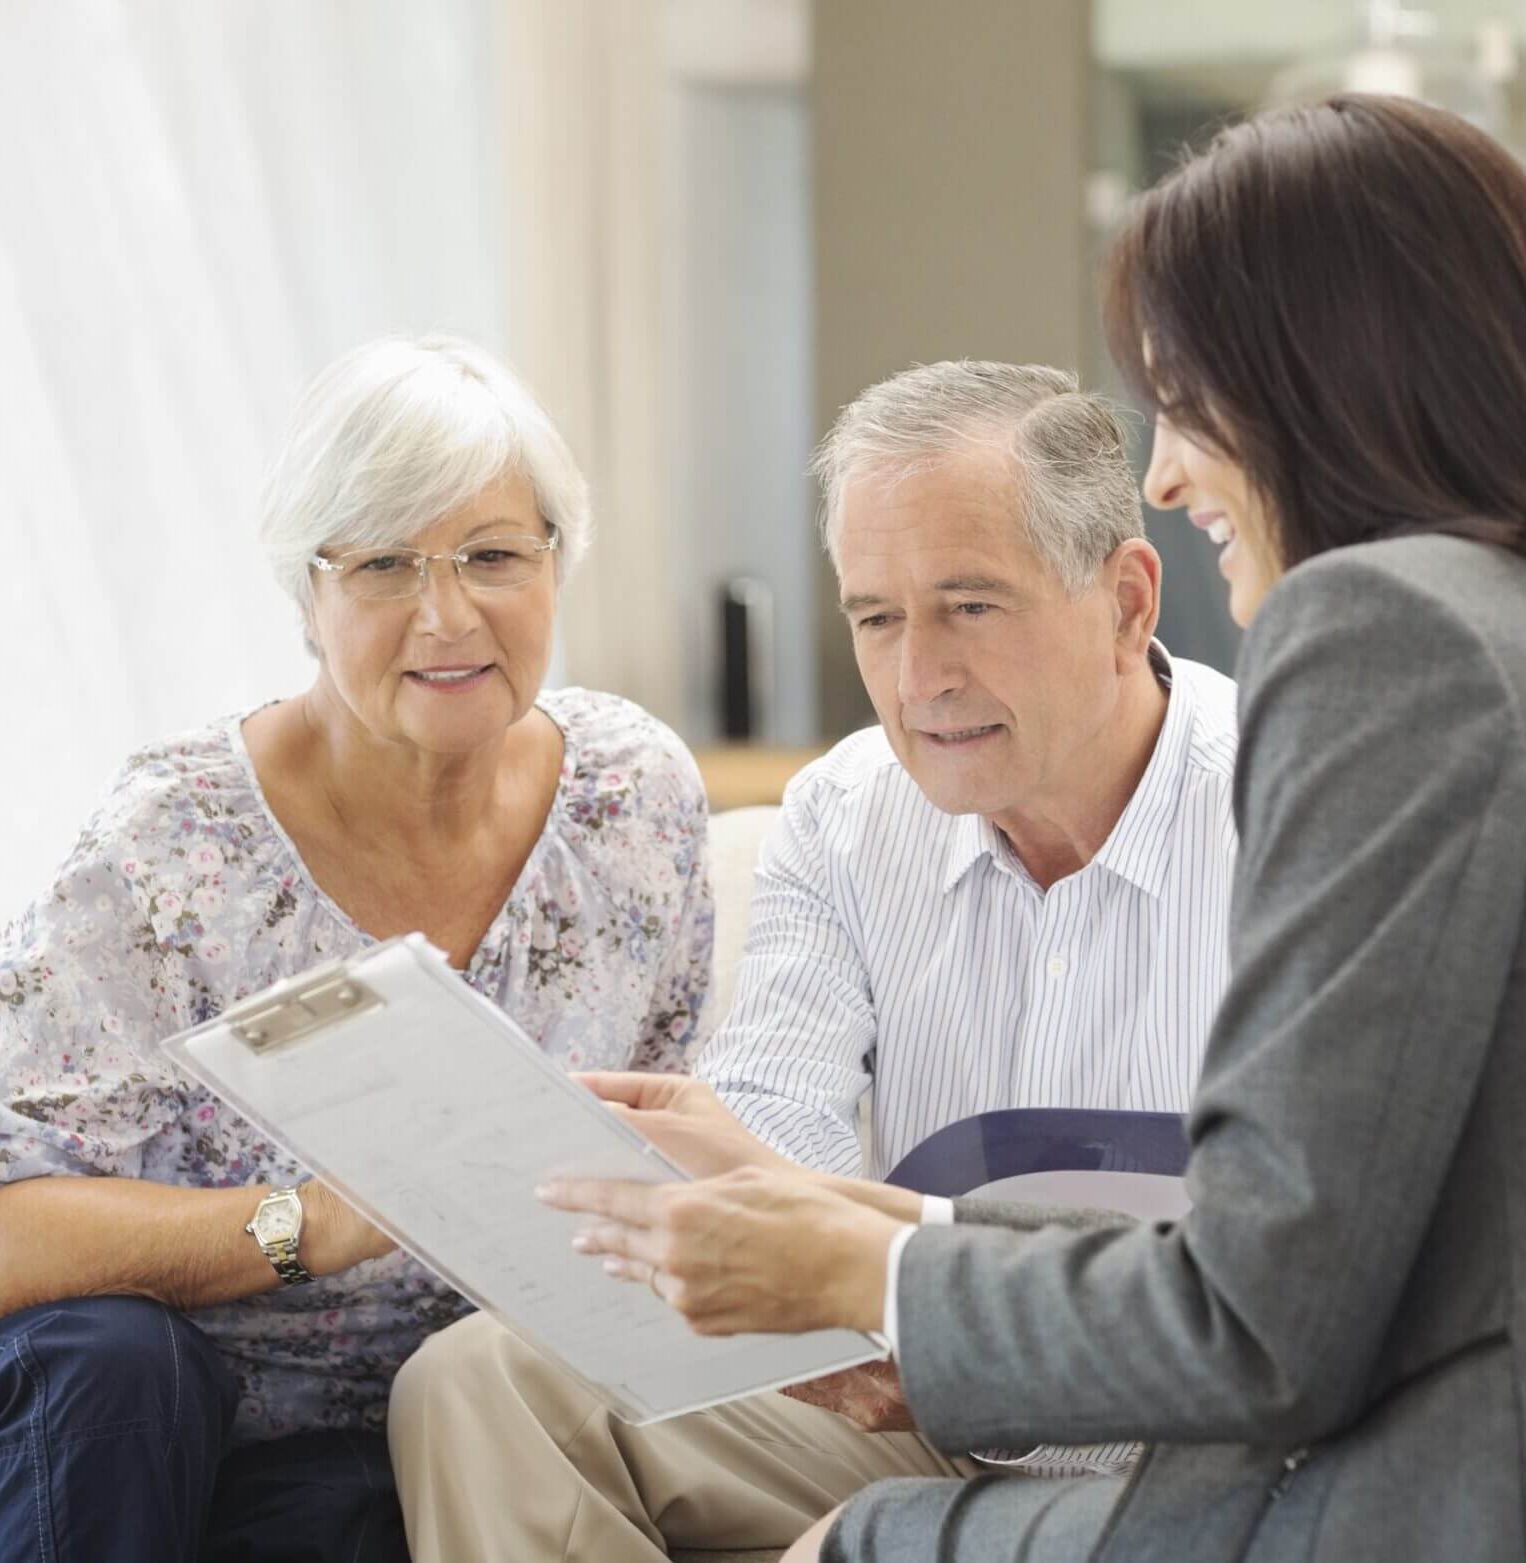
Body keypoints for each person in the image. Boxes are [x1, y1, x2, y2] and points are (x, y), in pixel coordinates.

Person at [543, 94, 1526, 1563]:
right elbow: (1334, 1242)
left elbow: (1262, 1312)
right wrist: (883, 1250)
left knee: (855, 1539)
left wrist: (879, 1268)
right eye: (879, 618)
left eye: (1185, 393)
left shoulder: (1391, 636)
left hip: (1441, 1498)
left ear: (1322, 375)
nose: (1162, 467)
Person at [387, 361, 1242, 1559]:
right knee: (483, 1379)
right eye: (877, 616)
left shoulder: (1295, 811)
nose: (916, 680)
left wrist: (895, 1275)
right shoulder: (845, 814)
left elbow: (1284, 1285)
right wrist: (732, 1195)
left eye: (971, 606)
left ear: (1128, 601)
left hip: (1203, 1436)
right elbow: (774, 1133)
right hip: (926, 1402)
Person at [0, 334, 713, 1562]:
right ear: (307, 594)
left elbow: (670, 1143)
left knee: (383, 1498)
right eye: (384, 564)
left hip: (448, 1417)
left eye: (493, 555)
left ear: (557, 566)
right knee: (117, 1373)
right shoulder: (172, 843)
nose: (446, 615)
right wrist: (307, 1223)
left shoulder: (631, 800)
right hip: (163, 1412)